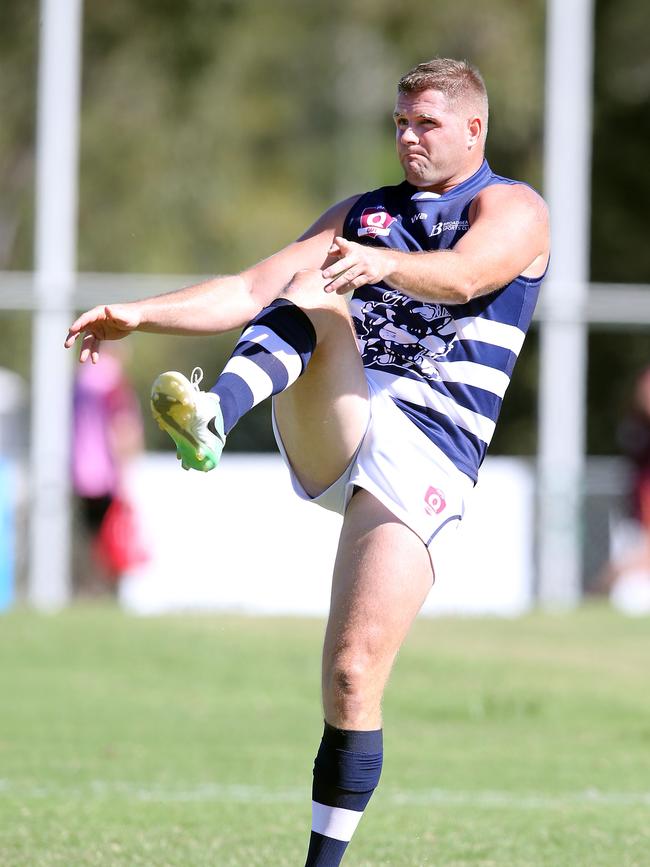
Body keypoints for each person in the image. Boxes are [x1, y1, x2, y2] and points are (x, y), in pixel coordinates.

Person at [65, 59, 550, 866]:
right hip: (348, 410)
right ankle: (215, 411)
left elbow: (469, 276)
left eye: (426, 122)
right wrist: (138, 314)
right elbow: (249, 287)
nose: (407, 137)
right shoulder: (365, 214)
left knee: (354, 675)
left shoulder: (514, 207)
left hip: (429, 448)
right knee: (307, 283)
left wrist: (385, 265)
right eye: (400, 121)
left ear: (475, 128)